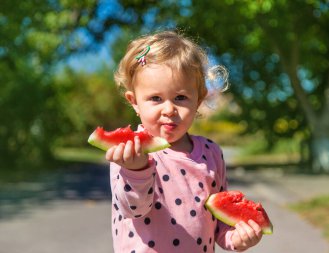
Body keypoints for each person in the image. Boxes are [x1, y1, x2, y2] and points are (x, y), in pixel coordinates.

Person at [106, 30, 263, 253]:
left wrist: (237, 238)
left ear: (198, 100)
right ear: (134, 102)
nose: (169, 109)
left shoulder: (211, 153)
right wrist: (136, 170)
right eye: (155, 98)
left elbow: (219, 223)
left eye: (180, 97)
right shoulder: (129, 152)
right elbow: (134, 209)